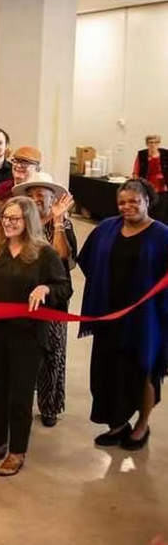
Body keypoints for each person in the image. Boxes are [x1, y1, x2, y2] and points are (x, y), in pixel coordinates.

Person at [0, 196, 72, 476]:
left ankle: (17, 451)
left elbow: (64, 288)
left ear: (29, 221)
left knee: (20, 394)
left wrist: (46, 289)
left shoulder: (44, 253)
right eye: (5, 218)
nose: (8, 223)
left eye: (15, 218)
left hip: (28, 335)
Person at [79, 178, 168, 452]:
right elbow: (88, 261)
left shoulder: (162, 234)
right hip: (109, 314)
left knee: (143, 370)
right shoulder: (107, 227)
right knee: (107, 371)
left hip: (146, 318)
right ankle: (118, 425)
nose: (127, 206)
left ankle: (142, 425)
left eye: (134, 201)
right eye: (122, 202)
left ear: (147, 201)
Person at [14, 172, 77, 428]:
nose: (37, 199)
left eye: (43, 195)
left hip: (54, 301)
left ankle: (49, 405)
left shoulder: (64, 225)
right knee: (23, 354)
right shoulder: (20, 224)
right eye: (32, 195)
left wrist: (58, 221)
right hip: (21, 300)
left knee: (53, 353)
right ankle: (20, 403)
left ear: (53, 199)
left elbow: (63, 258)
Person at [133, 135, 168, 221]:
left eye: (156, 142)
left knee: (161, 211)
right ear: (147, 144)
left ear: (159, 143)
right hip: (147, 186)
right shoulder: (142, 155)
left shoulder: (165, 154)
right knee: (148, 210)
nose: (153, 145)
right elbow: (136, 171)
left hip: (162, 187)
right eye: (151, 142)